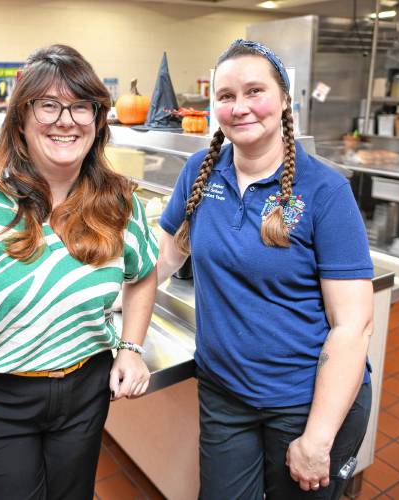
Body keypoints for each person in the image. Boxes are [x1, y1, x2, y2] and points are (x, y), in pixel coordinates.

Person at [0, 44, 158, 500]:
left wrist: (131, 348)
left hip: (85, 391)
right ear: (21, 117)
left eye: (83, 106)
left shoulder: (117, 201)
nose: (67, 119)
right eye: (49, 105)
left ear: (99, 121)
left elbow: (143, 274)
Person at [157, 39, 374, 499]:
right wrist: (106, 300)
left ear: (284, 100)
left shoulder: (325, 191)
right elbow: (166, 256)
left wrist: (317, 438)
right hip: (223, 393)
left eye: (255, 91)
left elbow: (352, 326)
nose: (240, 108)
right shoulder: (201, 171)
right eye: (226, 96)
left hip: (304, 400)